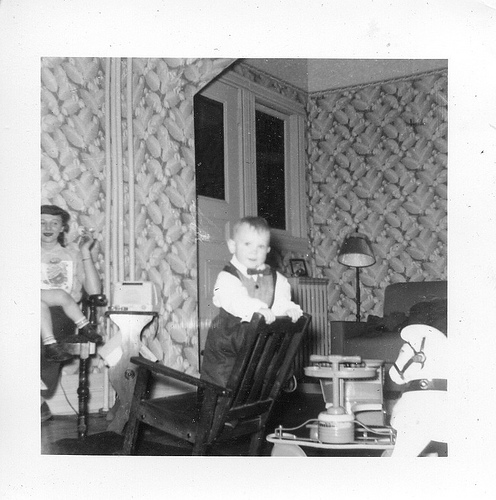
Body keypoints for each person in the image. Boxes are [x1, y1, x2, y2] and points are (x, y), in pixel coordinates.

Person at [200, 216, 303, 387]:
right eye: (247, 244)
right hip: (229, 337)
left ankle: (274, 381)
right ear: (232, 246)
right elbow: (235, 300)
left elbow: (280, 301)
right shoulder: (227, 277)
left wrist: (288, 309)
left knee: (267, 361)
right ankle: (220, 399)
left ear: (268, 250)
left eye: (260, 246)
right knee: (222, 380)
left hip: (258, 338)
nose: (254, 252)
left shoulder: (277, 278)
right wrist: (258, 309)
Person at [40, 204, 103, 420]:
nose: (48, 227)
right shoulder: (24, 253)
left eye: (54, 223)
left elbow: (94, 292)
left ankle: (38, 391)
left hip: (62, 314)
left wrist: (85, 253)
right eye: (42, 222)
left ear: (62, 228)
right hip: (28, 310)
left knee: (48, 326)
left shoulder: (72, 254)